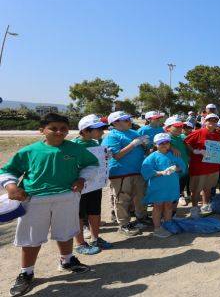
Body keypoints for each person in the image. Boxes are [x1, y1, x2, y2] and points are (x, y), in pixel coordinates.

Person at [1, 113, 99, 296]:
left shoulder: (75, 149)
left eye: (63, 128)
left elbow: (92, 164)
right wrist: (12, 187)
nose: (59, 132)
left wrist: (82, 179)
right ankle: (26, 273)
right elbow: (8, 170)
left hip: (67, 197)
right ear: (42, 130)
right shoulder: (29, 151)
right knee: (31, 238)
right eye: (53, 128)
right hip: (35, 200)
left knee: (66, 231)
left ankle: (67, 260)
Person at [102, 111, 149, 236]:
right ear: (116, 122)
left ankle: (141, 218)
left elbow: (143, 150)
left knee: (140, 196)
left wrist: (144, 145)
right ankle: (123, 224)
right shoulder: (112, 136)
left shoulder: (134, 133)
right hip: (120, 172)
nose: (130, 121)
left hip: (138, 170)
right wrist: (133, 144)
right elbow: (117, 156)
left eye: (129, 119)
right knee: (122, 199)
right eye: (126, 119)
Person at [72, 114, 111, 255]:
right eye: (98, 129)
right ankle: (80, 243)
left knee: (95, 212)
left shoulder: (96, 144)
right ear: (85, 130)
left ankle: (95, 238)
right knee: (78, 215)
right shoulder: (73, 145)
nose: (102, 131)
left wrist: (106, 156)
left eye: (102, 128)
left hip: (95, 186)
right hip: (80, 187)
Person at [141, 133, 187, 238]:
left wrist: (176, 168)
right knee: (158, 206)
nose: (164, 144)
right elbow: (145, 170)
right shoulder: (152, 157)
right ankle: (157, 228)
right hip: (158, 187)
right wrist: (160, 173)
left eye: (167, 142)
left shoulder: (174, 154)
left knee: (169, 205)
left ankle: (168, 224)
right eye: (161, 143)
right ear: (155, 144)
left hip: (171, 186)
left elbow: (182, 166)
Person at [184, 113, 220, 218]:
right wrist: (195, 151)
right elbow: (186, 142)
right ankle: (194, 208)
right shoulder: (198, 132)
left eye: (215, 121)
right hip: (199, 167)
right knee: (196, 189)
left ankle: (205, 205)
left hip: (213, 167)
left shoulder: (219, 135)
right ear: (205, 122)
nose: (212, 123)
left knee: (208, 188)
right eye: (210, 120)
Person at [164, 116, 190, 208]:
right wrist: (171, 146)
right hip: (174, 171)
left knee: (179, 190)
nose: (180, 128)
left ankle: (172, 215)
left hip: (183, 169)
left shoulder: (180, 137)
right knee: (171, 195)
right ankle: (168, 217)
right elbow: (159, 144)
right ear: (168, 128)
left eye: (181, 126)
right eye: (177, 126)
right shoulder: (166, 138)